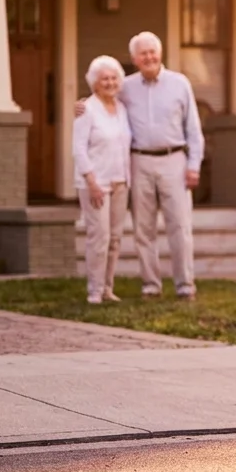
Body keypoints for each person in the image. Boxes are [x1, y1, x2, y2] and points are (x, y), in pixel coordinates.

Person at [74, 32, 205, 301]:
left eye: (152, 52)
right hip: (139, 162)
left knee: (179, 226)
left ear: (160, 54)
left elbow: (194, 129)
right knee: (143, 229)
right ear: (134, 59)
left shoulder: (180, 84)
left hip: (175, 159)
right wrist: (80, 105)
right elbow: (102, 96)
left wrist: (194, 165)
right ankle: (151, 285)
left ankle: (185, 285)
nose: (148, 57)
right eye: (142, 53)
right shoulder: (126, 86)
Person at [74, 55, 131, 304]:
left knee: (115, 239)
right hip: (95, 184)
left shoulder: (121, 108)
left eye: (113, 78)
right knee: (99, 238)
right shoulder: (87, 109)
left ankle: (108, 288)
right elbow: (78, 149)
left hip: (121, 182)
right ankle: (94, 290)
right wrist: (92, 182)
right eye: (104, 79)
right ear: (94, 83)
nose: (109, 83)